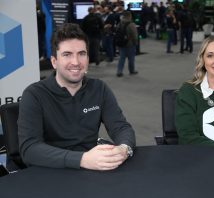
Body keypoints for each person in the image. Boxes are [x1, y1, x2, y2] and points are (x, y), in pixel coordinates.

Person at [18, 23, 136, 171]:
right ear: (54, 62)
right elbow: (29, 149)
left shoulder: (99, 88)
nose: (76, 62)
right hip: (50, 172)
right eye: (67, 55)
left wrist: (124, 149)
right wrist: (82, 159)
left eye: (81, 54)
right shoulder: (34, 94)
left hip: (92, 170)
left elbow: (121, 127)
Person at [116, 11, 138, 77]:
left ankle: (119, 71)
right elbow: (134, 35)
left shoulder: (119, 23)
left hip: (121, 43)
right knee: (131, 58)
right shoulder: (131, 24)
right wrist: (135, 43)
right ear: (129, 16)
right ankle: (131, 70)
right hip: (129, 44)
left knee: (121, 58)